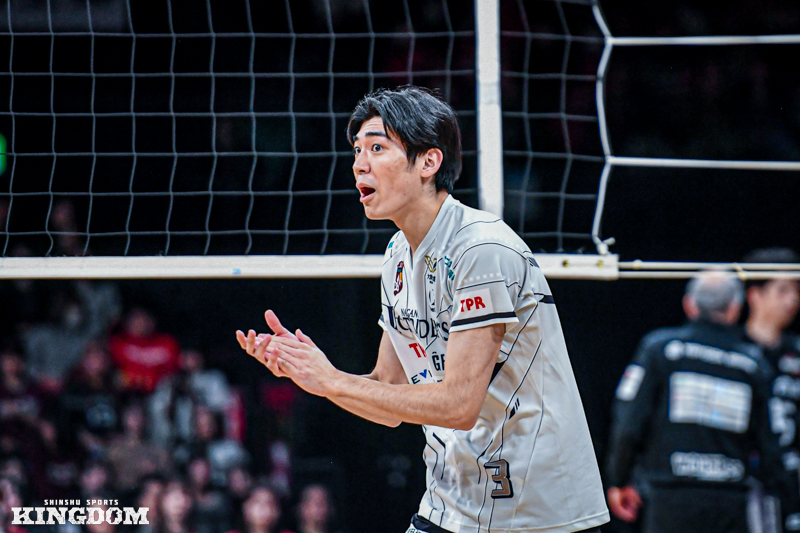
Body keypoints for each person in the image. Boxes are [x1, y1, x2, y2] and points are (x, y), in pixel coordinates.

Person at [237, 86, 609, 533]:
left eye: (377, 147)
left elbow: (458, 405)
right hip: (450, 504)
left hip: (537, 513)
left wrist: (332, 381)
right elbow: (388, 397)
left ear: (429, 162)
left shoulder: (482, 249)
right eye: (357, 150)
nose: (359, 163)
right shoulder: (398, 254)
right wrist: (315, 378)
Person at [605, 271, 797, 533]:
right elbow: (771, 444)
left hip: (669, 498)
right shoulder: (753, 365)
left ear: (689, 304)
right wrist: (787, 499)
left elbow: (629, 423)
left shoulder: (660, 350)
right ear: (735, 309)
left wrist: (619, 479)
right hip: (729, 501)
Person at [741, 248, 800, 531]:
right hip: (745, 483)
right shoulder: (731, 351)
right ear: (755, 294)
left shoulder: (796, 351)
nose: (793, 299)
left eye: (796, 290)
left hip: (791, 481)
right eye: (783, 290)